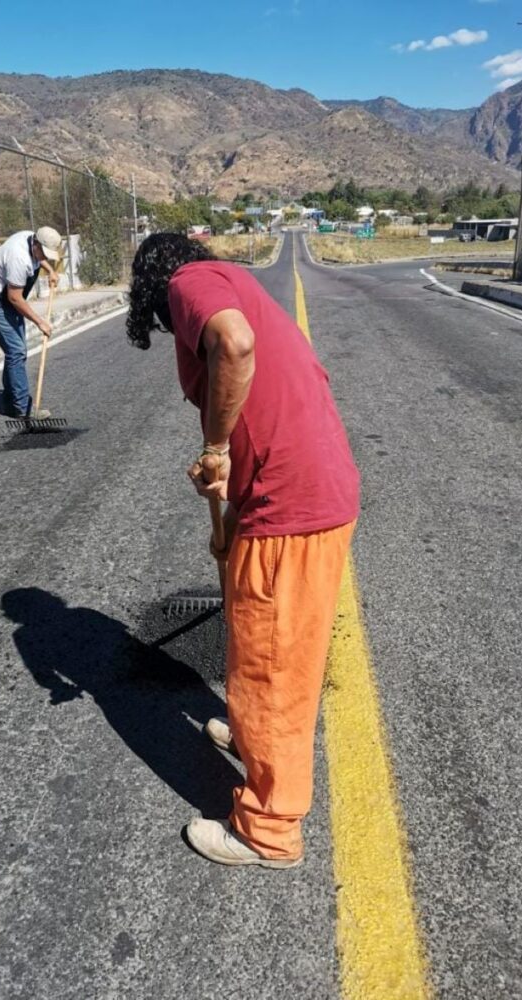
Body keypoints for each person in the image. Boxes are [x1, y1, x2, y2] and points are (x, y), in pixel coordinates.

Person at [126, 233, 360, 868]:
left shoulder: (189, 282)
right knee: (263, 636)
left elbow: (234, 345)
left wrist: (216, 448)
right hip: (301, 489)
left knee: (272, 662)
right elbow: (264, 403)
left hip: (291, 504)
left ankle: (269, 831)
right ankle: (256, 739)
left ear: (154, 287)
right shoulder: (235, 282)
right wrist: (231, 505)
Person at [0, 226, 63, 417]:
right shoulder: (19, 258)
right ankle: (23, 409)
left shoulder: (30, 239)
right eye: (44, 253)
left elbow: (39, 258)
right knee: (16, 351)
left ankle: (10, 402)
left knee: (15, 351)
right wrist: (40, 322)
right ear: (36, 244)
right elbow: (15, 298)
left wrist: (50, 271)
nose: (45, 257)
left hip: (8, 300)